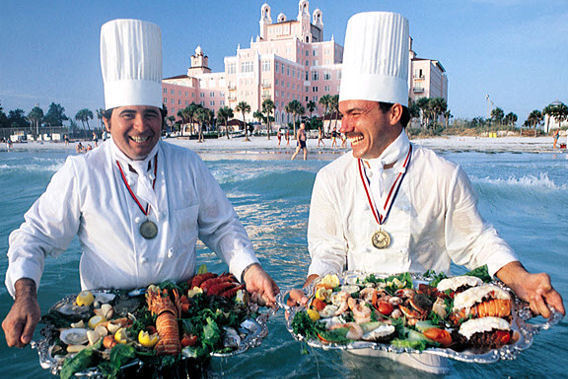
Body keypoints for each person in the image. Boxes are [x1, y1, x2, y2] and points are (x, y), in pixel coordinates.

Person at [289, 12, 564, 374]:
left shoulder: (443, 175)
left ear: (394, 112)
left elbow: (479, 243)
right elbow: (327, 254)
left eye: (355, 114)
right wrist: (312, 289)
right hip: (353, 334)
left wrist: (522, 280)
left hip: (427, 343)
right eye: (342, 115)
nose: (344, 127)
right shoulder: (330, 178)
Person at [2, 19, 278, 349]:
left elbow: (222, 227)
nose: (141, 126)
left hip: (183, 318)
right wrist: (25, 294)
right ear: (106, 120)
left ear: (163, 117)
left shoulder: (188, 165)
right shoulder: (82, 172)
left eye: (150, 114)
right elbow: (34, 236)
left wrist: (249, 268)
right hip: (111, 329)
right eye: (127, 114)